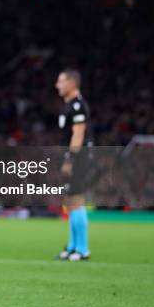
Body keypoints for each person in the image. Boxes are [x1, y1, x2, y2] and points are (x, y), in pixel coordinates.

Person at [55, 69, 93, 261]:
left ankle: (83, 248)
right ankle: (72, 246)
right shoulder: (69, 105)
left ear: (72, 84)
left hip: (79, 158)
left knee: (76, 201)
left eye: (61, 82)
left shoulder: (78, 106)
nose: (57, 85)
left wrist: (70, 159)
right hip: (73, 158)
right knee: (70, 202)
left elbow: (78, 135)